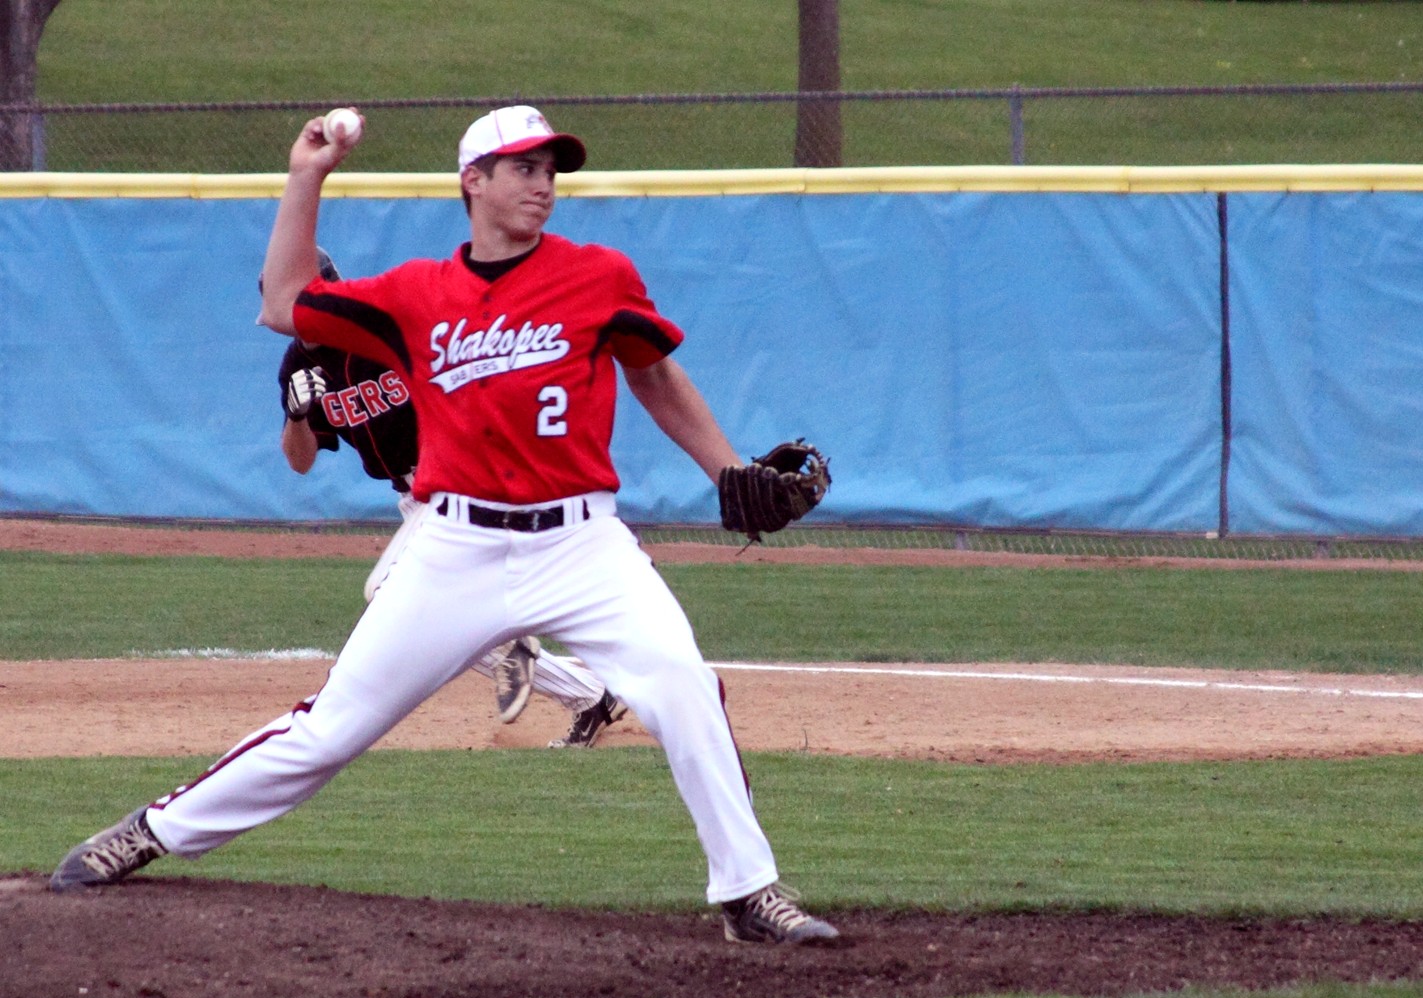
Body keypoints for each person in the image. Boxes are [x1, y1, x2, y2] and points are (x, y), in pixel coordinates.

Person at [51, 105, 841, 944]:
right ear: (474, 181)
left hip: (582, 544)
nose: (543, 184)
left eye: (550, 170)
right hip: (455, 547)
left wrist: (725, 469)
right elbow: (284, 301)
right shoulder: (415, 295)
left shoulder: (598, 275)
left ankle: (749, 894)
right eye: (524, 168)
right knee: (329, 730)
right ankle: (152, 830)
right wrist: (307, 173)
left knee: (684, 686)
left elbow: (653, 374)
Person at [277, 249, 628, 749]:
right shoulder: (297, 367)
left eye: (318, 288)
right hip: (416, 498)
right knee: (437, 617)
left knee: (389, 594)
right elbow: (300, 461)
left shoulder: (382, 331)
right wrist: (296, 417)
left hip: (459, 475)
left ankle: (531, 646)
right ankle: (589, 692)